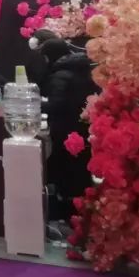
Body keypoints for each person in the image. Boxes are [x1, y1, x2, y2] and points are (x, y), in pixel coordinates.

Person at [42, 39, 97, 221]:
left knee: (63, 168)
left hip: (64, 128)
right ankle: (80, 210)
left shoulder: (61, 75)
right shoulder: (87, 71)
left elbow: (56, 105)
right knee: (80, 170)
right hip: (84, 127)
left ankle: (65, 210)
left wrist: (37, 105)